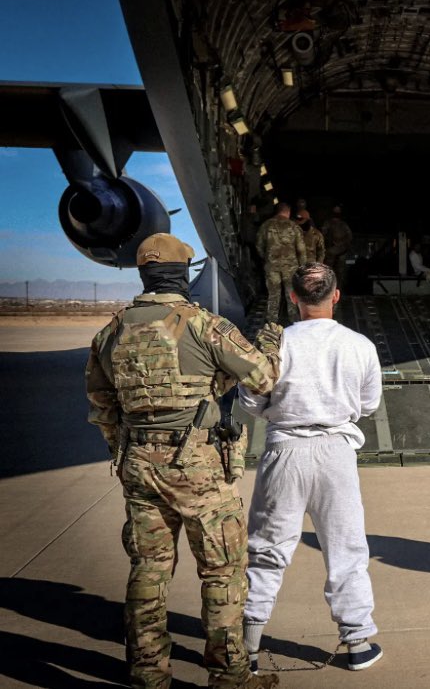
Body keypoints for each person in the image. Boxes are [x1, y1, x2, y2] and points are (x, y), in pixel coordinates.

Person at [85, 233, 281, 689]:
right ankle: (229, 676)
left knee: (149, 568)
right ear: (182, 274)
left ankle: (147, 672)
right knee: (222, 568)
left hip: (138, 465)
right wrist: (272, 340)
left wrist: (131, 447)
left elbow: (101, 406)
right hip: (199, 469)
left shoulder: (110, 331)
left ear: (144, 274)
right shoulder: (205, 325)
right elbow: (263, 377)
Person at [238, 262, 385, 673]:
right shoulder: (360, 346)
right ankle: (356, 642)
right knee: (346, 550)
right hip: (336, 453)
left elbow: (250, 402)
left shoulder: (275, 345)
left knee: (267, 551)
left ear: (293, 298)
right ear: (336, 296)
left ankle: (247, 646)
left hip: (284, 451)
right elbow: (369, 404)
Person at [257, 202, 305, 324]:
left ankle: (272, 323)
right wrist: (302, 267)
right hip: (290, 267)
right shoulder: (294, 226)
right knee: (291, 295)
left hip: (272, 266)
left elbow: (259, 245)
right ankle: (294, 322)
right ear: (288, 212)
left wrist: (266, 258)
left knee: (273, 295)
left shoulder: (266, 225)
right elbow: (301, 249)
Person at [323, 205, 353, 292]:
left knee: (340, 273)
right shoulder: (328, 223)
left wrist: (342, 245)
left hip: (341, 252)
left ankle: (338, 291)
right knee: (328, 272)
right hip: (330, 252)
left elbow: (349, 237)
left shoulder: (343, 225)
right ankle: (328, 290)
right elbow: (323, 234)